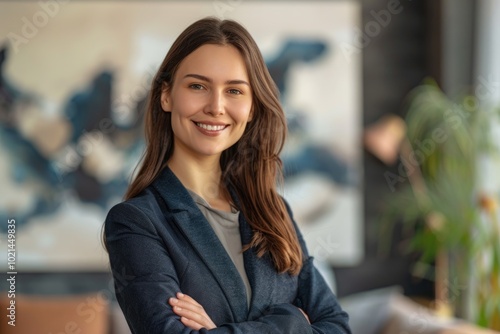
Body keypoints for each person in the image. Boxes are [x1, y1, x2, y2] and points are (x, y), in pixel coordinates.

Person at [104, 17, 351, 334]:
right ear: (166, 95)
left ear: (251, 108)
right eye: (198, 86)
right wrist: (291, 323)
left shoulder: (274, 210)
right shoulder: (136, 222)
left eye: (234, 90)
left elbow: (338, 327)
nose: (216, 106)